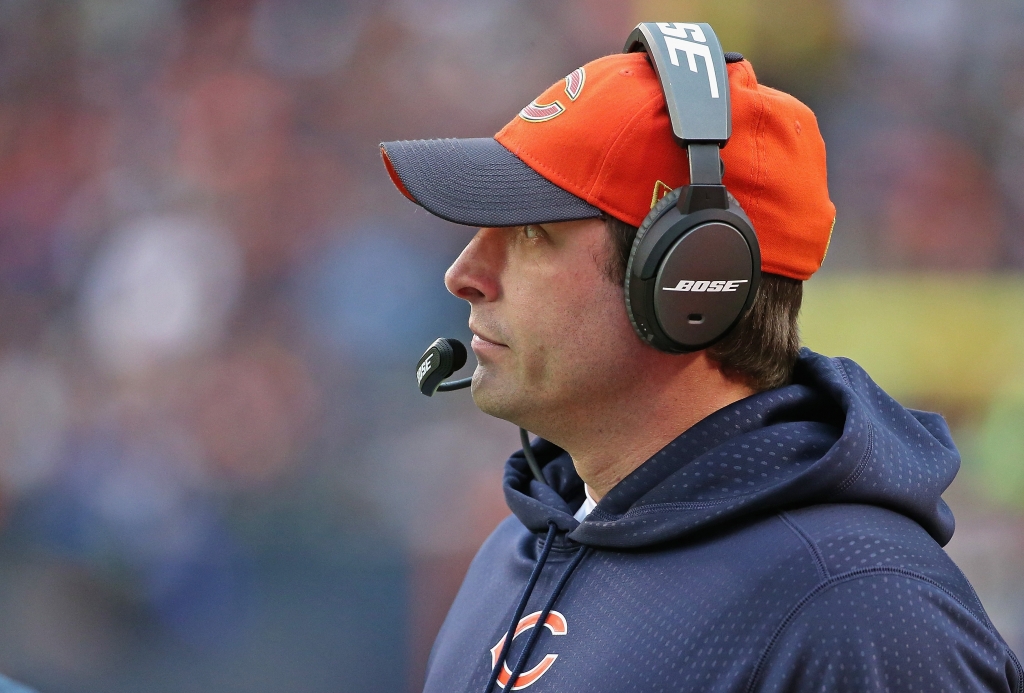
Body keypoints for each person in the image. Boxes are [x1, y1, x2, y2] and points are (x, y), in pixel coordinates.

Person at [379, 24, 1023, 693]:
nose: (464, 273)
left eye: (532, 233)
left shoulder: (859, 613)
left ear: (687, 278)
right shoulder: (515, 554)